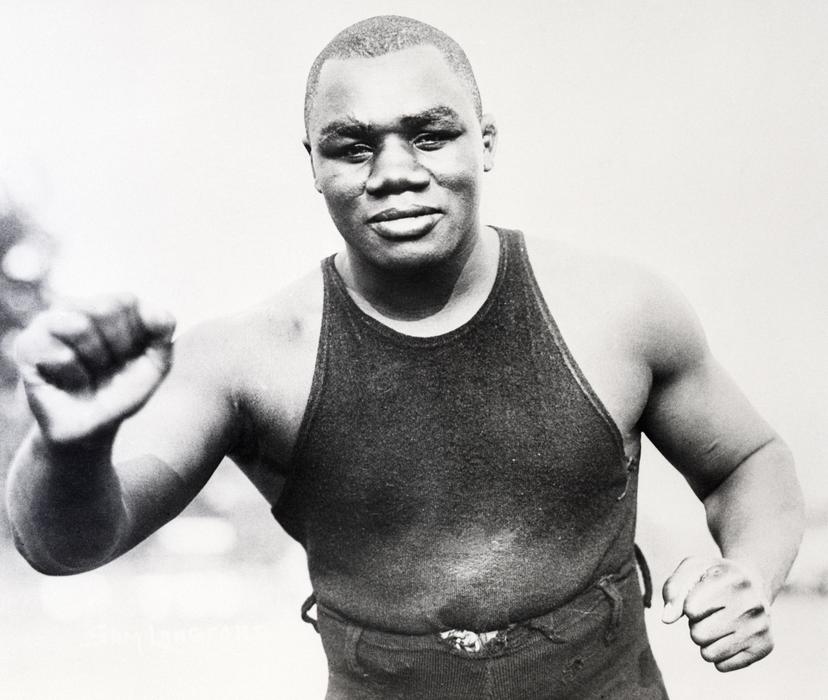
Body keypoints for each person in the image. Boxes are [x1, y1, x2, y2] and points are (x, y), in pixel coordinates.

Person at [5, 15, 804, 700]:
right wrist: (70, 447)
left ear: (484, 142)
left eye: (430, 134)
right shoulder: (253, 357)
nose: (394, 174)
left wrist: (752, 572)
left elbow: (750, 460)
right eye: (353, 147)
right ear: (312, 162)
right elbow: (64, 546)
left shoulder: (617, 310)